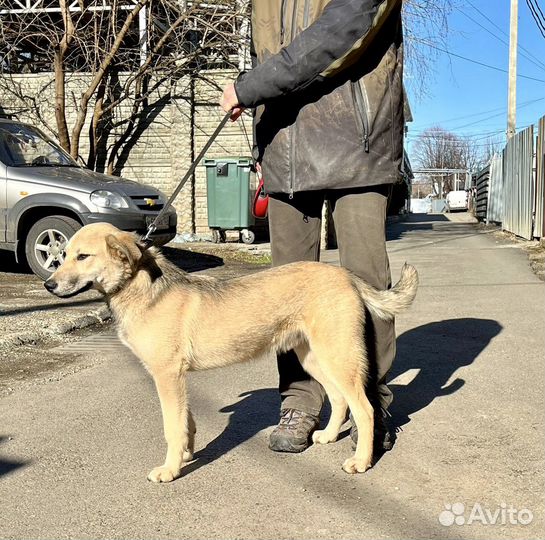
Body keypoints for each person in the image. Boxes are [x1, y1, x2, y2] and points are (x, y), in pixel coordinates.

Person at [220, 0, 404, 455]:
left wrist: (250, 88)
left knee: (363, 285)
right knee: (284, 290)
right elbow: (268, 50)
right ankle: (301, 400)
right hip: (284, 147)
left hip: (357, 141)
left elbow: (343, 31)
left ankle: (372, 401)